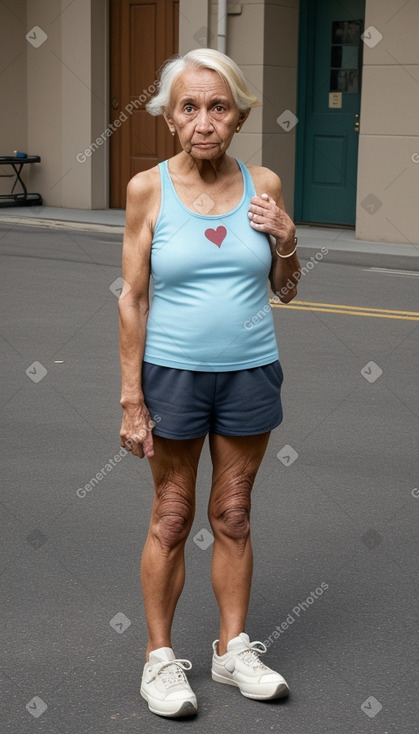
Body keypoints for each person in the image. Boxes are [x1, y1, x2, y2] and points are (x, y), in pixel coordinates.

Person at [118, 48, 300, 718]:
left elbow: (284, 290)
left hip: (250, 371)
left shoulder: (265, 185)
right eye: (188, 107)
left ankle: (231, 649)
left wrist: (286, 238)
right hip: (171, 377)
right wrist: (133, 398)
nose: (203, 120)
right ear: (169, 118)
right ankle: (159, 660)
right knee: (171, 516)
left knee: (233, 515)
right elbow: (132, 298)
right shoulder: (148, 189)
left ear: (239, 114)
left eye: (217, 106)